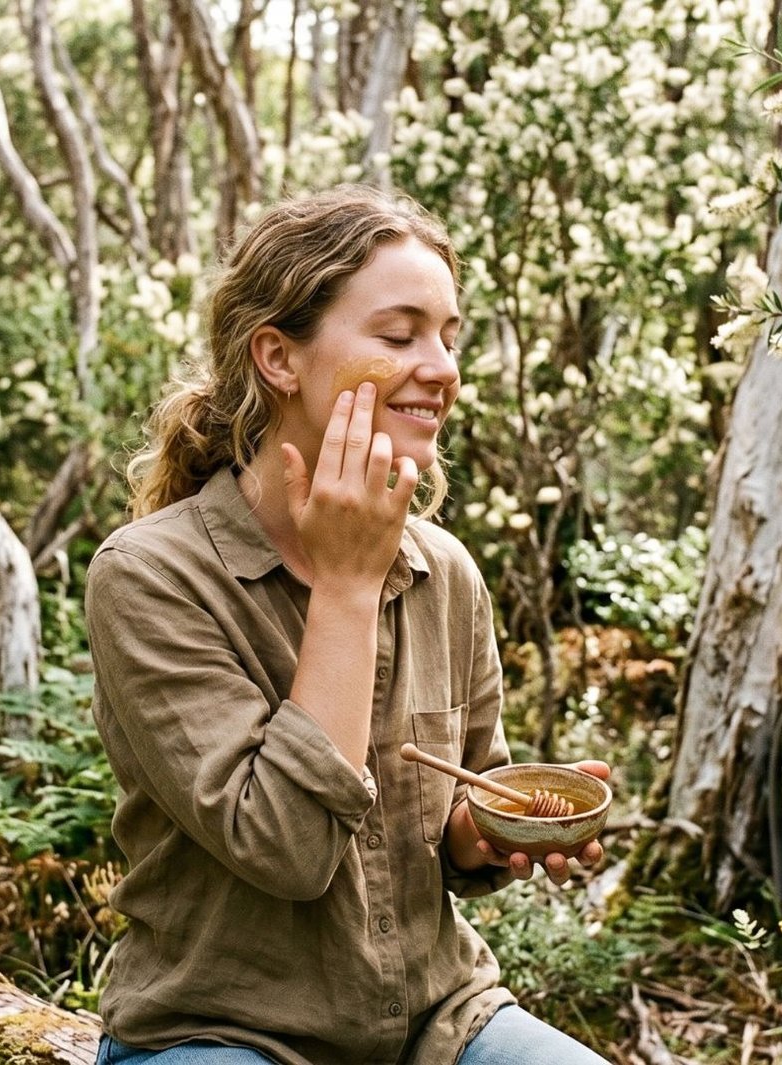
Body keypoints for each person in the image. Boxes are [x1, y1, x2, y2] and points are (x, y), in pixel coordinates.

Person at [84, 184, 612, 1065]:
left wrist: (486, 831)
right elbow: (287, 850)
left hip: (438, 1027)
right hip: (223, 1034)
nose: (441, 367)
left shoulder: (446, 572)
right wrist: (345, 588)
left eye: (449, 336)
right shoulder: (147, 576)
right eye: (399, 335)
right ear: (277, 358)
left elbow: (451, 814)